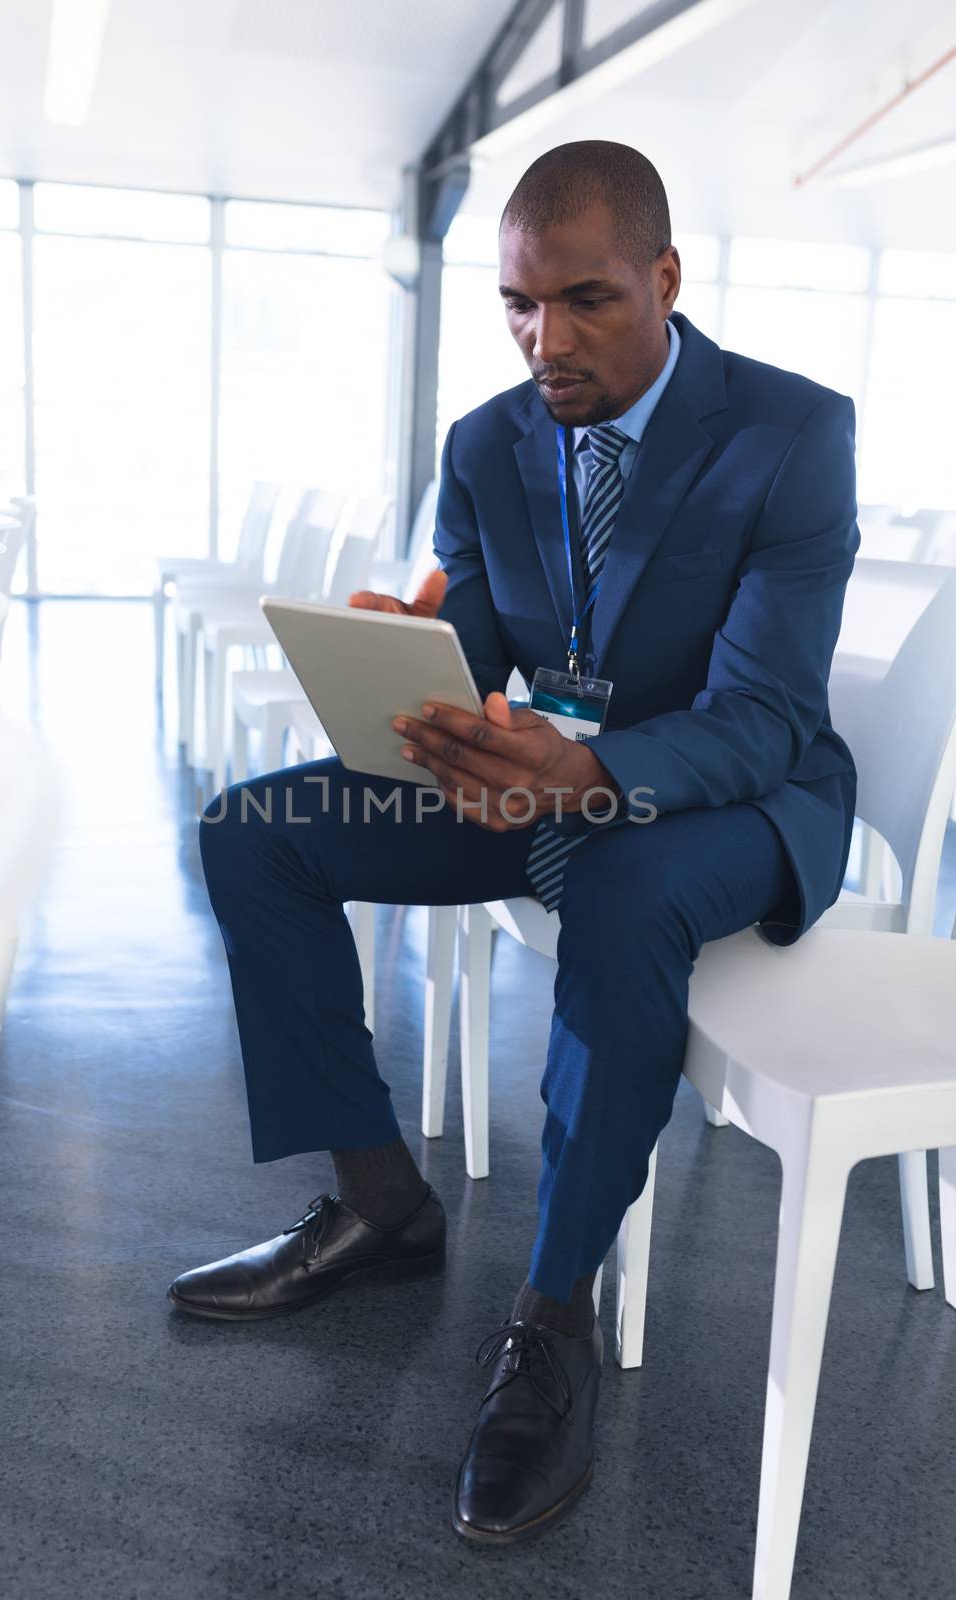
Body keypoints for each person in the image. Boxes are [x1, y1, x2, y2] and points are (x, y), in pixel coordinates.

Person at [168, 140, 858, 1546]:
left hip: (729, 795)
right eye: (518, 307)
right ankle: (378, 1208)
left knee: (617, 886)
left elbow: (769, 712)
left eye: (587, 300)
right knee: (257, 829)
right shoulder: (485, 444)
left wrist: (587, 771)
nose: (548, 340)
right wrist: (413, 674)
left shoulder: (792, 431)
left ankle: (551, 1319)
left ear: (666, 278)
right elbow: (480, 639)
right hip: (532, 770)